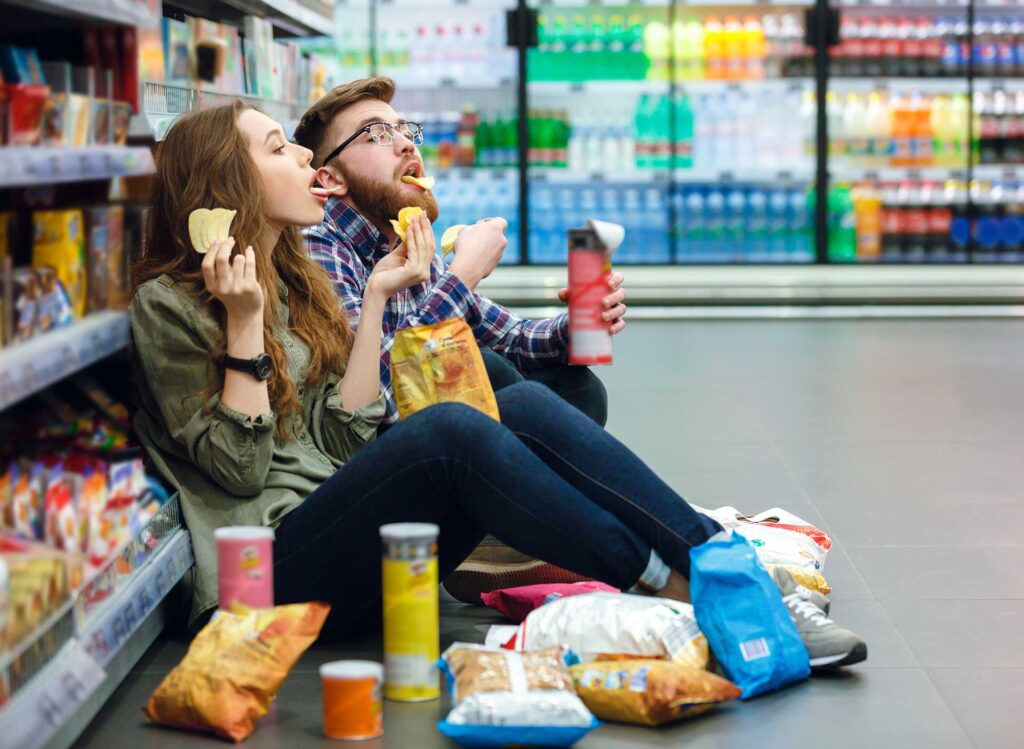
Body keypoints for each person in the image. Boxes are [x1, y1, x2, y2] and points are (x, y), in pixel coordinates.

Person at [128, 101, 866, 670]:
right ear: (228, 184)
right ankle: (688, 590)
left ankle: (715, 562)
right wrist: (244, 326)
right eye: (276, 148)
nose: (300, 157)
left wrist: (384, 295)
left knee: (514, 400)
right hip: (263, 577)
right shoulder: (171, 305)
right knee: (454, 426)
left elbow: (340, 433)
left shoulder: (293, 276)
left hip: (344, 525)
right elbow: (243, 467)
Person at [293, 77, 622, 430]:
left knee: (577, 387)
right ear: (330, 179)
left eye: (404, 131)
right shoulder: (319, 246)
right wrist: (463, 275)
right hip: (385, 451)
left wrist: (578, 324)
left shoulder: (404, 238)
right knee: (490, 368)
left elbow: (512, 337)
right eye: (377, 134)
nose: (406, 145)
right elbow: (378, 404)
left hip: (438, 431)